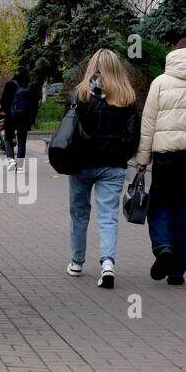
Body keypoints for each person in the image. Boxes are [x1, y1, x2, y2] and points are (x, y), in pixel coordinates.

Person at [65, 48, 140, 289]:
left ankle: (77, 262)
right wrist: (120, 156)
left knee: (79, 213)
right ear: (117, 68)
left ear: (91, 67)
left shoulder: (79, 94)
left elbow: (67, 128)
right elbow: (133, 137)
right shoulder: (126, 96)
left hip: (81, 163)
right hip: (112, 166)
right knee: (108, 216)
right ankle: (107, 263)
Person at [135, 37, 186, 285]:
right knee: (184, 212)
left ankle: (163, 246)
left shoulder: (159, 83)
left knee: (160, 205)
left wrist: (142, 159)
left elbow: (148, 124)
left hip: (166, 158)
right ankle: (177, 272)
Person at [0, 66, 39, 170]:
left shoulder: (10, 85)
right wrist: (32, 119)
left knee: (8, 137)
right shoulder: (31, 86)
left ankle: (11, 160)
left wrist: (7, 112)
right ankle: (20, 166)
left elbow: (3, 101)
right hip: (25, 118)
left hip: (11, 116)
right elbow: (35, 105)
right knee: (22, 140)